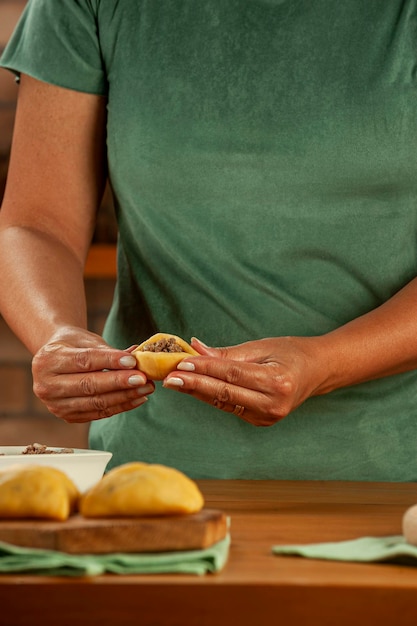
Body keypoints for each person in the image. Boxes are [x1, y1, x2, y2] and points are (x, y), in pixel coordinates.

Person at [1, 0, 417, 481]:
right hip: (151, 477)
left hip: (394, 483)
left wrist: (325, 363)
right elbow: (36, 224)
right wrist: (55, 335)